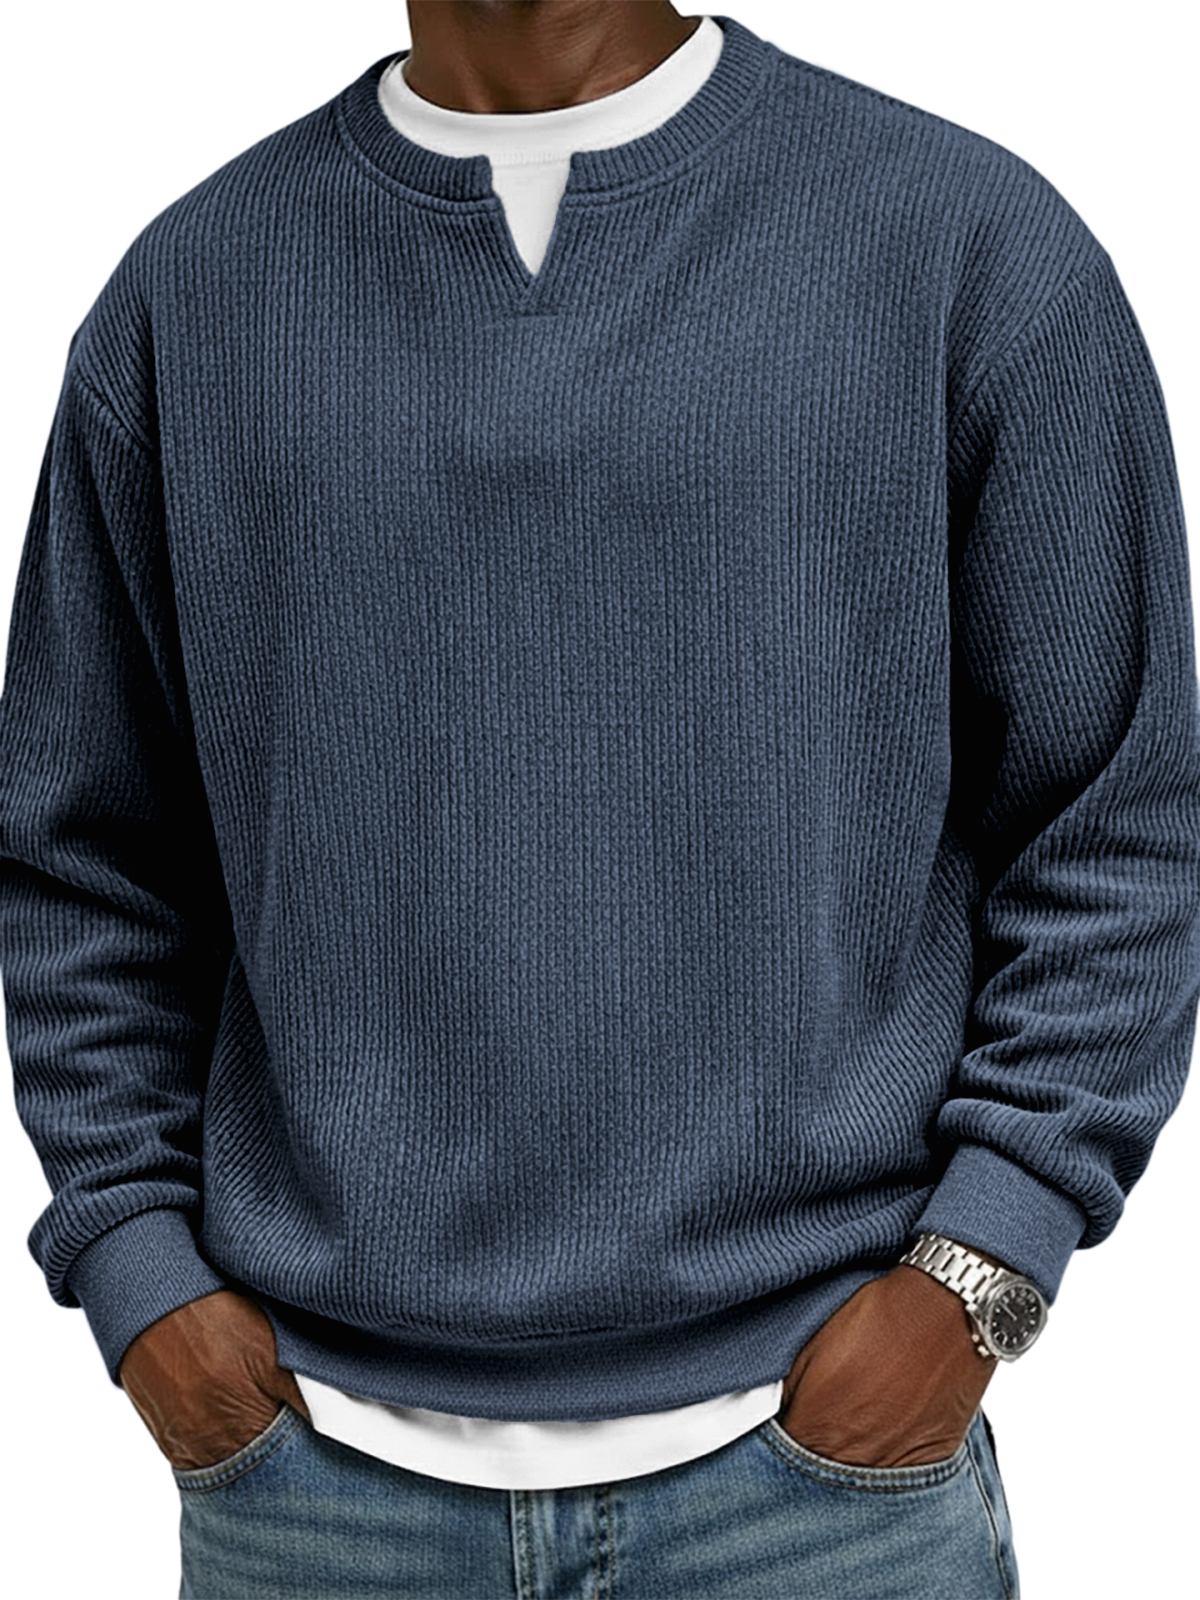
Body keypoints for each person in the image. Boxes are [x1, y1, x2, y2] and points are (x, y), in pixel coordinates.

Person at [1, 3, 1197, 1596]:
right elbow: (84, 857)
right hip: (313, 1488)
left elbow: (1120, 822)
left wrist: (979, 1270)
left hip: (820, 1486)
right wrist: (138, 1271)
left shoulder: (969, 247)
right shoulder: (192, 292)